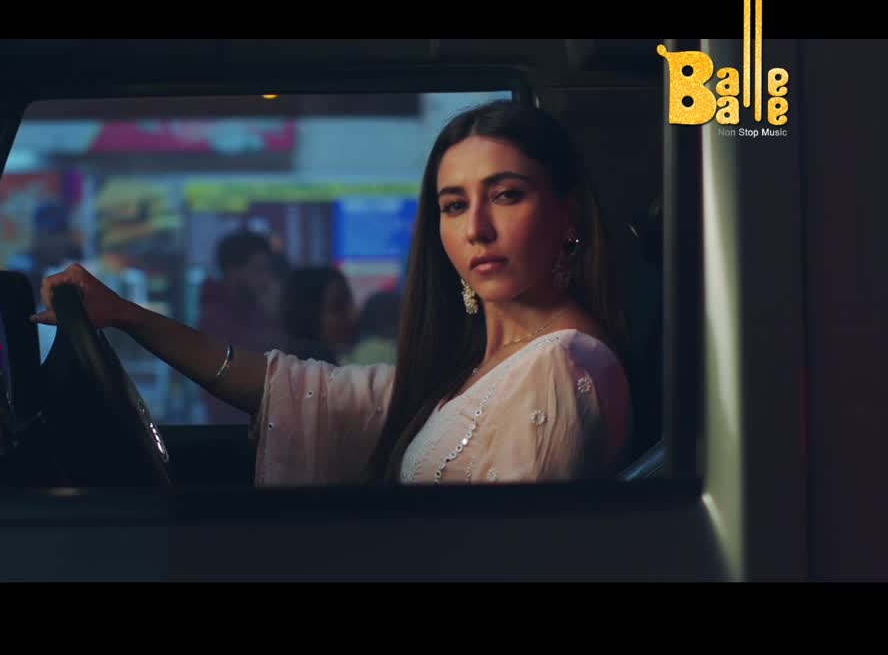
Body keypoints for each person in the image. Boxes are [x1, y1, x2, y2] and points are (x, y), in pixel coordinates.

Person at [33, 100, 631, 487]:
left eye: (505, 195)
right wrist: (124, 316)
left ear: (567, 214)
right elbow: (299, 390)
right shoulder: (470, 366)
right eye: (454, 205)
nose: (476, 228)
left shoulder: (561, 365)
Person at [195, 230, 287, 423]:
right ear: (233, 271)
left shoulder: (246, 308)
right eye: (258, 271)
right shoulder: (217, 318)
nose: (265, 280)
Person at [279, 266, 356, 364]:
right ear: (308, 315)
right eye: (338, 308)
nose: (352, 317)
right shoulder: (315, 367)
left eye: (349, 305)